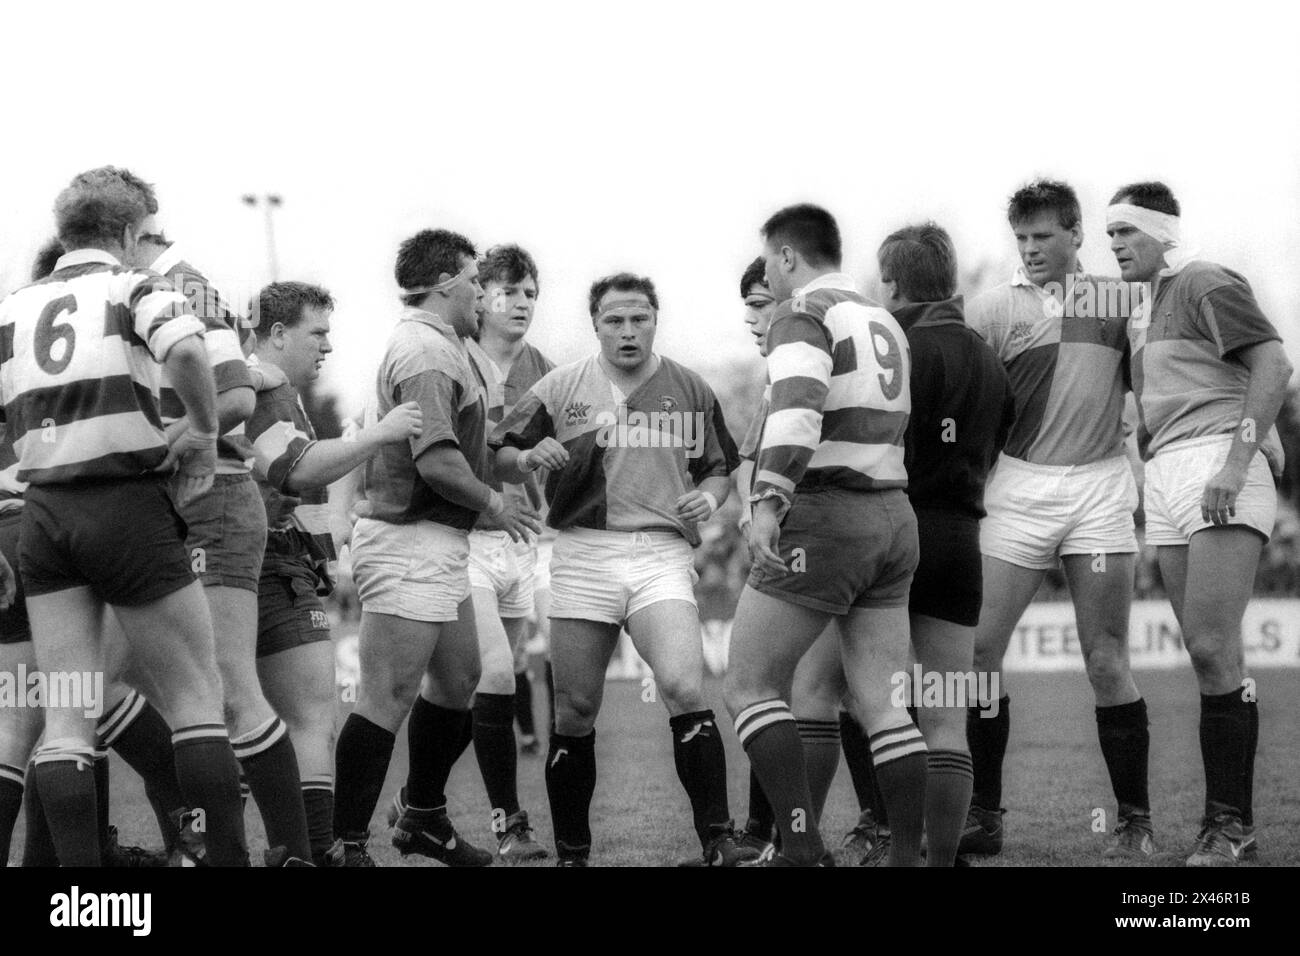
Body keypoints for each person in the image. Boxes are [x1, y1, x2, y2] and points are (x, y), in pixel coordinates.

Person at [0, 166, 247, 865]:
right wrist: (200, 430)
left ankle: (82, 902)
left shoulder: (14, 309)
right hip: (124, 501)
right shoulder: (135, 286)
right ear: (130, 234)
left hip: (43, 514)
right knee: (198, 696)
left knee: (69, 718)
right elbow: (190, 350)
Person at [490, 271, 751, 867]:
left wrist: (709, 499)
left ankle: (719, 841)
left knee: (685, 686)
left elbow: (719, 468)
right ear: (596, 326)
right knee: (575, 711)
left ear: (655, 321)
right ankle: (573, 854)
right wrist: (529, 454)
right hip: (582, 554)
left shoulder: (689, 387)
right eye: (614, 320)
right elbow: (501, 454)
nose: (628, 331)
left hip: (661, 555)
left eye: (640, 319)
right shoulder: (559, 388)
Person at [722, 204, 923, 867]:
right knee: (883, 707)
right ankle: (904, 859)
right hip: (893, 515)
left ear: (785, 257)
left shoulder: (802, 312)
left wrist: (768, 501)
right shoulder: (881, 316)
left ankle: (801, 848)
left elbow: (797, 407)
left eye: (770, 266)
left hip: (827, 513)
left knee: (749, 684)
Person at [332, 229, 537, 867]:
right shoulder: (427, 351)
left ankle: (421, 817)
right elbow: (439, 463)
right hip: (407, 540)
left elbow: (466, 452)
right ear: (447, 282)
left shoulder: (446, 346)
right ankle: (344, 844)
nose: (483, 292)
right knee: (387, 696)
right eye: (476, 279)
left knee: (459, 679)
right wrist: (496, 504)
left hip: (436, 542)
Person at [126, 175, 314, 865]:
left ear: (141, 232)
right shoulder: (123, 293)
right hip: (156, 505)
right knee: (129, 685)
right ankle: (196, 841)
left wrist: (151, 445)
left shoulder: (183, 284)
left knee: (225, 687)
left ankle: (289, 850)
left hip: (215, 497)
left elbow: (235, 395)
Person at [964, 180, 1151, 859]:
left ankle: (1134, 821)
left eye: (1043, 237)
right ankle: (984, 814)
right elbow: (960, 392)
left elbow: (1156, 379)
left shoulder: (1117, 298)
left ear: (1076, 234)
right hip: (1016, 489)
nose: (1031, 249)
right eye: (1021, 239)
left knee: (1105, 658)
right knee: (980, 652)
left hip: (1100, 489)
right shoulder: (990, 308)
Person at [1107, 181, 1293, 866]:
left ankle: (1229, 826)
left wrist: (1239, 458)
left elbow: (1273, 360)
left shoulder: (1205, 280)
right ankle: (1232, 827)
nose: (1117, 245)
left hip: (1221, 463)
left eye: (1127, 231)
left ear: (1163, 231)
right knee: (1208, 653)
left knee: (1213, 647)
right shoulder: (1138, 311)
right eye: (1110, 235)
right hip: (1169, 474)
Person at [247, 281, 422, 866]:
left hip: (273, 566)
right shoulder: (258, 387)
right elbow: (296, 469)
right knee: (293, 719)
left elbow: (305, 488)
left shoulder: (277, 391)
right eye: (316, 332)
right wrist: (377, 434)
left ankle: (310, 851)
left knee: (297, 717)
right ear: (277, 334)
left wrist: (326, 548)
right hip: (256, 567)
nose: (327, 345)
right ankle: (302, 849)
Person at [870, 222, 1014, 865]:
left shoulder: (894, 346)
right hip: (962, 538)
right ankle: (940, 858)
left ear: (893, 282)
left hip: (896, 530)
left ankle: (889, 847)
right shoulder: (987, 354)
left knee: (870, 701)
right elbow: (997, 440)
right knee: (948, 711)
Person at [729, 257, 844, 863]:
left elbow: (791, 437)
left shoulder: (804, 358)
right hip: (846, 538)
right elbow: (753, 451)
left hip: (816, 538)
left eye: (762, 301)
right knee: (808, 692)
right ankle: (772, 836)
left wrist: (765, 506)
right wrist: (751, 507)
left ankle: (798, 841)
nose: (755, 316)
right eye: (746, 305)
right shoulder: (779, 372)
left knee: (769, 688)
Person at [460, 244, 553, 861]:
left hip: (523, 544)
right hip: (461, 539)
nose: (521, 303)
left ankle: (413, 801)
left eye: (529, 293)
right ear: (480, 297)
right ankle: (509, 825)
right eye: (508, 292)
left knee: (475, 681)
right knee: (493, 673)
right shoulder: (453, 357)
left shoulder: (548, 371)